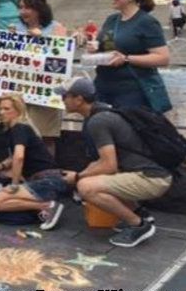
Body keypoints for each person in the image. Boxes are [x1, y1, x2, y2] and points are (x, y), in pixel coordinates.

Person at [58, 78, 172, 248]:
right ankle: (141, 214)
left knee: (85, 187)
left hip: (151, 178)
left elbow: (109, 165)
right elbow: (104, 162)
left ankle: (139, 225)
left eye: (64, 96)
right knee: (91, 175)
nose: (62, 100)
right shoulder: (104, 112)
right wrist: (86, 172)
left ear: (79, 99)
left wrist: (77, 177)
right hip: (151, 173)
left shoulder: (98, 121)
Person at [0, 94, 69, 231]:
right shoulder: (18, 129)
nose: (2, 112)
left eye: (7, 109)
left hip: (46, 180)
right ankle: (44, 205)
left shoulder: (19, 128)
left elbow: (19, 157)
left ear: (18, 110)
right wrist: (0, 165)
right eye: (1, 109)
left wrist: (14, 185)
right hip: (45, 179)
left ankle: (47, 206)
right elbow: (15, 157)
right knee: (0, 190)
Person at [91, 0, 171, 114]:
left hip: (132, 93)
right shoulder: (111, 20)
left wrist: (127, 59)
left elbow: (163, 58)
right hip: (104, 88)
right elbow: (110, 49)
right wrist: (95, 49)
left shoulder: (147, 22)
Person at [13, 0, 68, 153]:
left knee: (45, 138)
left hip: (45, 93)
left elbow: (62, 58)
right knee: (17, 137)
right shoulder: (15, 28)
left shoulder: (56, 28)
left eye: (27, 7)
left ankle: (47, 167)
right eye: (21, 7)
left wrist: (43, 38)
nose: (23, 12)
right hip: (20, 91)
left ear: (39, 9)